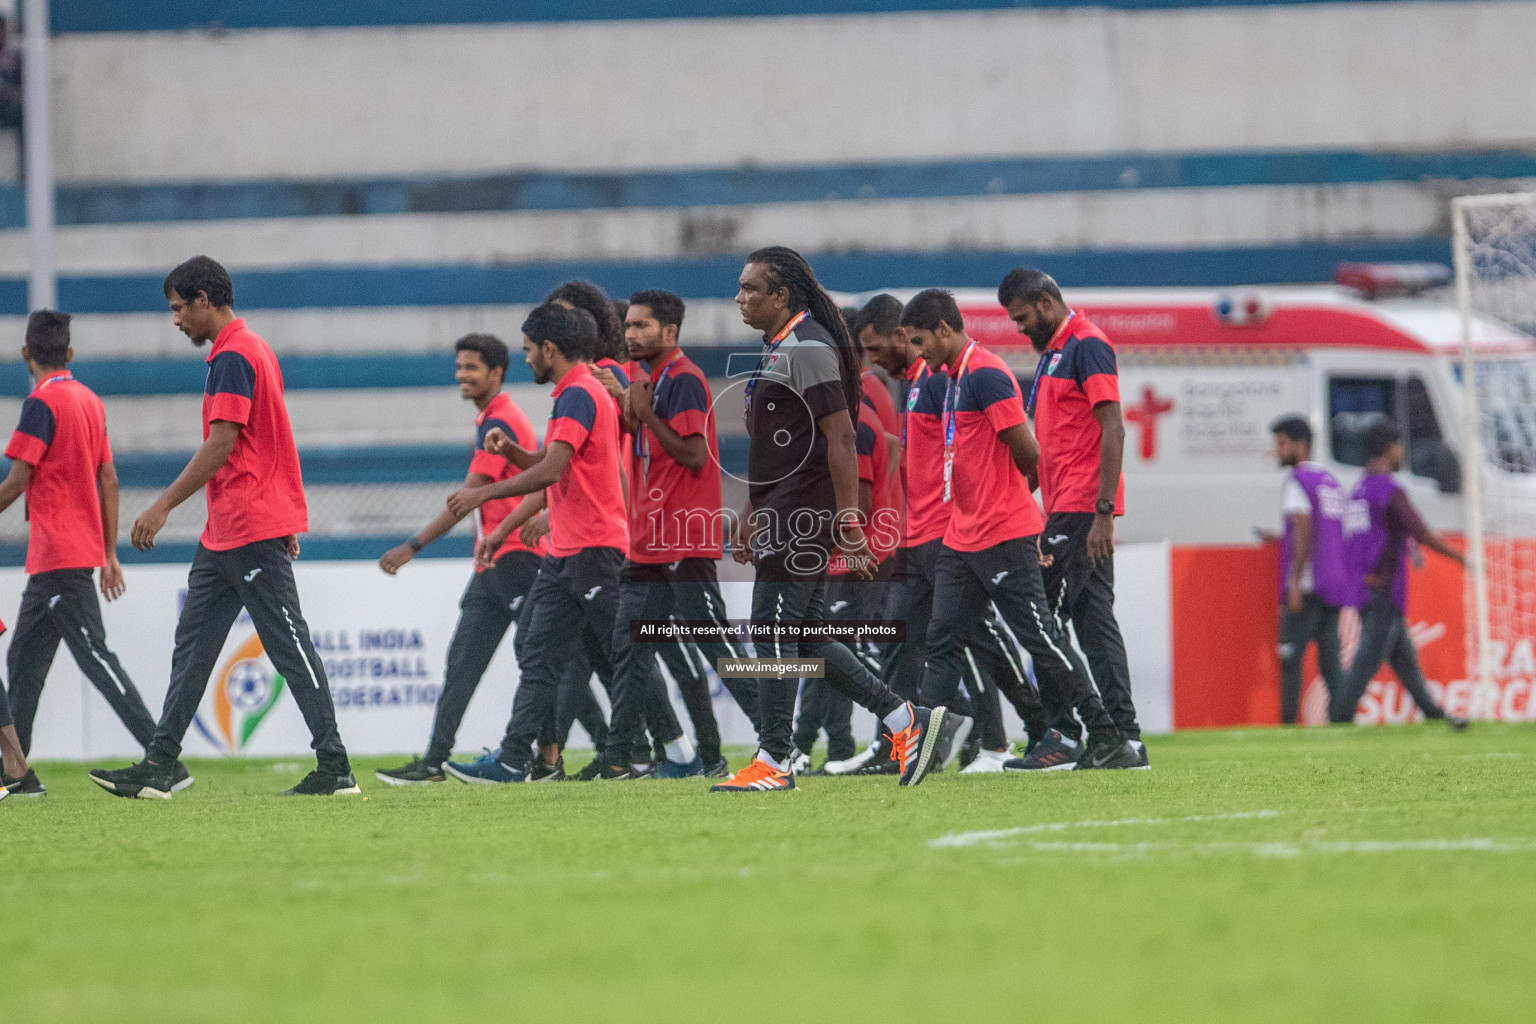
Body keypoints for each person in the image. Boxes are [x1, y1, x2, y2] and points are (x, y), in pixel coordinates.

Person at [89, 256, 358, 798]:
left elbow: (224, 442)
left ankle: (335, 767)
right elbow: (272, 436)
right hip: (230, 529)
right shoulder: (252, 348)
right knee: (193, 647)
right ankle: (161, 764)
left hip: (248, 522)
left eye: (178, 308)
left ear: (204, 300)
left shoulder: (233, 355)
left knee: (287, 643)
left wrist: (162, 505)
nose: (176, 321)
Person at [721, 246, 943, 791]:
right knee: (807, 633)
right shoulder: (786, 346)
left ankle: (774, 759)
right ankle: (902, 720)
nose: (740, 297)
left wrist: (848, 521)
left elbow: (840, 435)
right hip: (783, 508)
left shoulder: (807, 347)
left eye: (751, 288)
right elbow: (782, 445)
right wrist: (752, 511)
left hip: (803, 512)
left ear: (781, 296)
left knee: (773, 630)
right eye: (740, 286)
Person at [901, 288, 1137, 777]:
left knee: (1042, 639)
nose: (918, 353)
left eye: (921, 341)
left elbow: (1029, 453)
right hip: (961, 537)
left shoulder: (986, 373)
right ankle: (921, 753)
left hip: (1003, 535)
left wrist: (1020, 514)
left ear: (945, 329)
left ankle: (1108, 734)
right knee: (941, 639)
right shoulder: (956, 376)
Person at [857, 294, 1045, 776]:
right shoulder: (917, 383)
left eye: (878, 348)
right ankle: (901, 741)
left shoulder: (941, 379)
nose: (873, 359)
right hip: (917, 535)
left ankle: (1010, 737)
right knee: (902, 639)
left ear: (904, 336)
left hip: (948, 534)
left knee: (977, 640)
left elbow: (972, 457)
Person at [441, 303, 629, 782]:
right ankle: (515, 758)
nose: (526, 360)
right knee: (536, 652)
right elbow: (553, 464)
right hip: (566, 551)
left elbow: (552, 470)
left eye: (528, 351)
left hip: (594, 548)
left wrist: (483, 493)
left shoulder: (579, 394)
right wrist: (515, 455)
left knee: (624, 655)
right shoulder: (575, 392)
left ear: (550, 349)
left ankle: (651, 751)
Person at [585, 289, 757, 780]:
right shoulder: (649, 381)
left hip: (683, 538)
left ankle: (776, 741)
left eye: (642, 326)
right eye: (629, 325)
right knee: (629, 646)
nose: (631, 333)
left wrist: (645, 412)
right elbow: (640, 442)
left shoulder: (684, 379)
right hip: (649, 542)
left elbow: (694, 456)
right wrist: (626, 404)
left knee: (717, 648)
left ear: (670, 332)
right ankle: (621, 755)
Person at [374, 334, 552, 785]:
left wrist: (410, 547)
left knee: (539, 658)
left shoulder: (501, 421)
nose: (462, 376)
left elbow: (467, 500)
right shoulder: (492, 418)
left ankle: (556, 758)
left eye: (471, 368)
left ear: (496, 373)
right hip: (492, 563)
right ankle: (435, 762)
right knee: (464, 662)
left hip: (516, 558)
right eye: (459, 367)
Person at [0, 310, 161, 799]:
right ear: (69, 354)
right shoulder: (90, 401)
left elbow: (17, 481)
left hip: (56, 554)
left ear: (26, 353)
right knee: (23, 658)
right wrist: (108, 552)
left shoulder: (40, 404)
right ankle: (17, 772)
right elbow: (108, 479)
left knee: (95, 657)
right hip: (74, 553)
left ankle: (161, 754)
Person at [1000, 267, 1148, 770]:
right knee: (1093, 625)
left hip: (1082, 510)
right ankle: (1127, 739)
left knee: (1041, 622)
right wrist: (1019, 498)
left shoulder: (1087, 344)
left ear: (1045, 302)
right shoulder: (1053, 356)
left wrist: (1104, 512)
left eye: (1021, 317)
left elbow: (1114, 428)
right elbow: (1051, 450)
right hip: (1065, 506)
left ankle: (1064, 736)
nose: (1018, 328)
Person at [1330, 417, 1469, 728]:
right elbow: (1420, 531)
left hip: (1366, 585)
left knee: (1404, 660)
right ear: (1392, 448)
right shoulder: (1388, 490)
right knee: (1367, 660)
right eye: (1400, 446)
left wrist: (1408, 549)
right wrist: (1461, 558)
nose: (1402, 452)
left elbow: (1379, 533)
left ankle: (1435, 716)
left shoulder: (1360, 488)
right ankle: (1337, 720)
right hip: (1383, 588)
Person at [1271, 415, 1351, 724]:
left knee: (1291, 658)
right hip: (1332, 583)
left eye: (1281, 444)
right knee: (1331, 664)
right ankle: (1343, 720)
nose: (1277, 451)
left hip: (1306, 585)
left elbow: (1303, 525)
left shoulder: (1298, 480)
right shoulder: (1329, 481)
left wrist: (1293, 581)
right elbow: (1324, 530)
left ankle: (1288, 725)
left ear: (1301, 445)